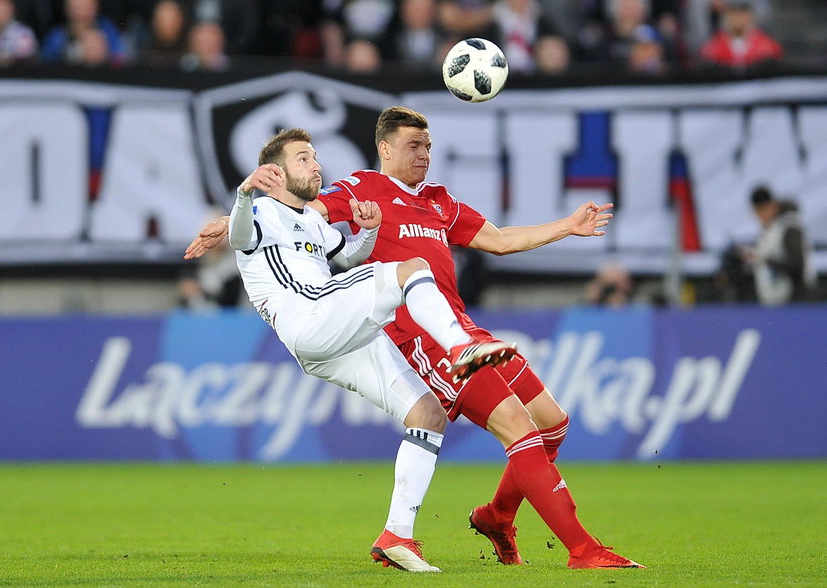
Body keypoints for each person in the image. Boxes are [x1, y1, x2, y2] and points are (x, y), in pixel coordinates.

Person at [186, 107, 645, 570]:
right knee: (519, 429)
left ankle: (495, 517)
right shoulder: (361, 187)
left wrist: (566, 226)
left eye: (427, 146)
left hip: (464, 328)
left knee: (551, 422)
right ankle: (583, 550)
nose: (424, 154)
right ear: (385, 149)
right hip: (422, 338)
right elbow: (300, 209)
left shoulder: (440, 201)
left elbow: (501, 240)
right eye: (413, 146)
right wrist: (231, 219)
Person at [198, 127, 517, 573]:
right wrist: (243, 193)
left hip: (332, 338)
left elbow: (346, 259)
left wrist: (368, 233)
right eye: (303, 158)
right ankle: (462, 346)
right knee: (413, 269)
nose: (316, 165)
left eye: (314, 156)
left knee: (428, 414)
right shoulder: (262, 211)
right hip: (309, 313)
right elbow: (238, 239)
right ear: (276, 171)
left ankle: (397, 537)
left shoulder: (311, 221)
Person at [741, 186, 815, 306]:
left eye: (763, 210)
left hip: (796, 299)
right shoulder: (769, 229)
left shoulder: (790, 226)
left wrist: (764, 260)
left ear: (774, 205)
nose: (760, 216)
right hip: (775, 300)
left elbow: (797, 264)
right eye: (757, 212)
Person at [698, 0, 782, 72]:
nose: (738, 18)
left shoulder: (767, 47)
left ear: (751, 15)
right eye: (733, 13)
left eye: (743, 13)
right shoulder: (712, 47)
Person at [0, 0, 38, 66]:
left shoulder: (23, 34)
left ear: (11, 9)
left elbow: (23, 62)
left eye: (2, 7)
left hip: (16, 74)